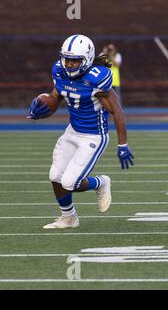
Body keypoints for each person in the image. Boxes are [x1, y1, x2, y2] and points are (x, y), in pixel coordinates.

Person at [27, 34, 134, 229]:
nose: (69, 64)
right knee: (55, 176)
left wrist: (123, 144)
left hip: (93, 136)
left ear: (86, 59)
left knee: (70, 182)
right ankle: (69, 218)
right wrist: (42, 107)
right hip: (72, 131)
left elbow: (116, 111)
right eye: (66, 59)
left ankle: (100, 182)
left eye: (74, 60)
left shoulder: (97, 79)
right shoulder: (59, 70)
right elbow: (56, 95)